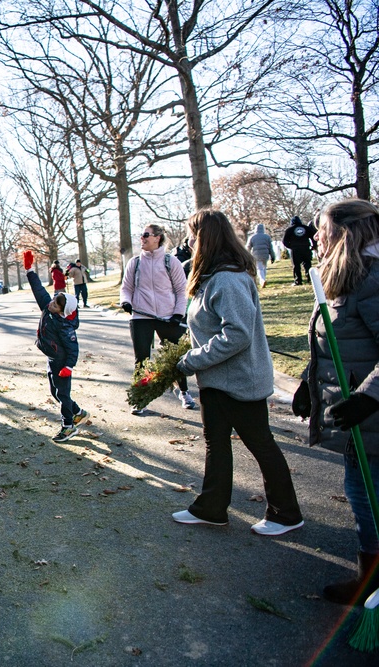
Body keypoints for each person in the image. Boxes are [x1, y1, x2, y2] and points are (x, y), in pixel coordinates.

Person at [174, 209, 304, 536]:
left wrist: (192, 360)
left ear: (205, 238)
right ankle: (211, 509)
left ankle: (286, 514)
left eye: (192, 235)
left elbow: (237, 335)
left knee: (261, 444)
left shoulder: (228, 279)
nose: (188, 242)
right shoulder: (212, 277)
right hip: (217, 381)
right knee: (216, 444)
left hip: (239, 382)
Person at [292, 199, 379, 604]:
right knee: (361, 492)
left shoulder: (373, 278)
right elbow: (328, 344)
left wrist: (369, 397)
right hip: (354, 417)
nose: (316, 237)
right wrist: (308, 386)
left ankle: (372, 581)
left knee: (367, 496)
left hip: (371, 418)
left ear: (345, 232)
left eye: (322, 230)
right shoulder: (341, 276)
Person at [119, 223, 196, 413]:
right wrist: (126, 301)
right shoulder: (135, 263)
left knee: (176, 357)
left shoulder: (171, 262)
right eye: (142, 235)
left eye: (146, 235)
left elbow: (181, 290)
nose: (142, 239)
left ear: (158, 238)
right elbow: (126, 288)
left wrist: (178, 313)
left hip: (168, 316)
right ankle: (141, 398)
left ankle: (184, 392)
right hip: (140, 316)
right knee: (142, 359)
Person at [24, 250, 88, 442]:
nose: (51, 303)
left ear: (63, 312)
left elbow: (73, 349)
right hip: (52, 358)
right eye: (53, 301)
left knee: (62, 393)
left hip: (61, 362)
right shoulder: (48, 307)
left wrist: (68, 367)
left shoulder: (65, 326)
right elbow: (39, 290)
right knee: (55, 392)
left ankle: (68, 426)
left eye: (56, 305)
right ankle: (78, 412)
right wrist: (29, 271)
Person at [282, 215, 318, 285]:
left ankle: (298, 281)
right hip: (306, 248)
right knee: (307, 264)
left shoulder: (289, 230)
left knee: (296, 266)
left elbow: (284, 241)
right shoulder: (306, 228)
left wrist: (290, 246)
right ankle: (310, 279)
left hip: (295, 250)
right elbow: (314, 237)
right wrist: (314, 246)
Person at [246, 223, 276, 288]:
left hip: (256, 255)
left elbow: (248, 247)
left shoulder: (252, 237)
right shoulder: (267, 237)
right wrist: (273, 256)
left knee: (259, 268)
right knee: (264, 268)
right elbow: (270, 248)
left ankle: (262, 280)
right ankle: (263, 279)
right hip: (265, 254)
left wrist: (246, 255)